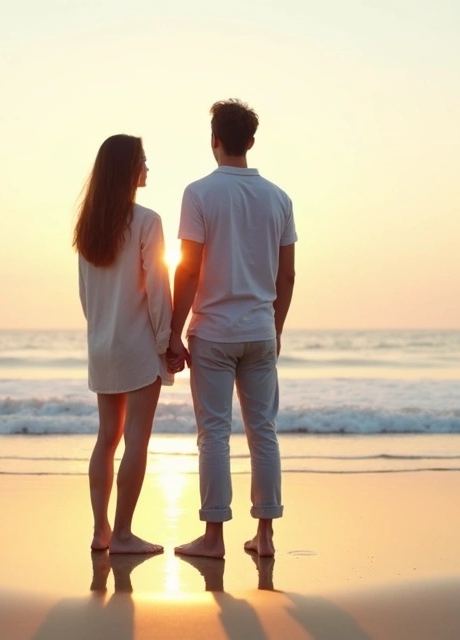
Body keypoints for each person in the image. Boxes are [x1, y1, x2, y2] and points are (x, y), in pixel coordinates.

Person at [168, 100, 297, 559]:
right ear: (252, 142)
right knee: (264, 431)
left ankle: (214, 538)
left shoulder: (200, 193)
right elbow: (287, 276)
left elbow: (187, 270)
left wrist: (171, 331)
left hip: (213, 332)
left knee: (215, 435)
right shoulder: (279, 197)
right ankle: (264, 537)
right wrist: (276, 327)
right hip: (260, 329)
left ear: (214, 139)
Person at [74, 134, 181, 554]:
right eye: (143, 161)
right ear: (128, 169)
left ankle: (100, 531)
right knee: (136, 440)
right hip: (137, 346)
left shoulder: (88, 227)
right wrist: (165, 342)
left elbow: (85, 294)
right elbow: (157, 287)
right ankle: (122, 534)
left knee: (106, 439)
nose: (148, 168)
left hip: (102, 344)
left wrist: (101, 331)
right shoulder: (146, 221)